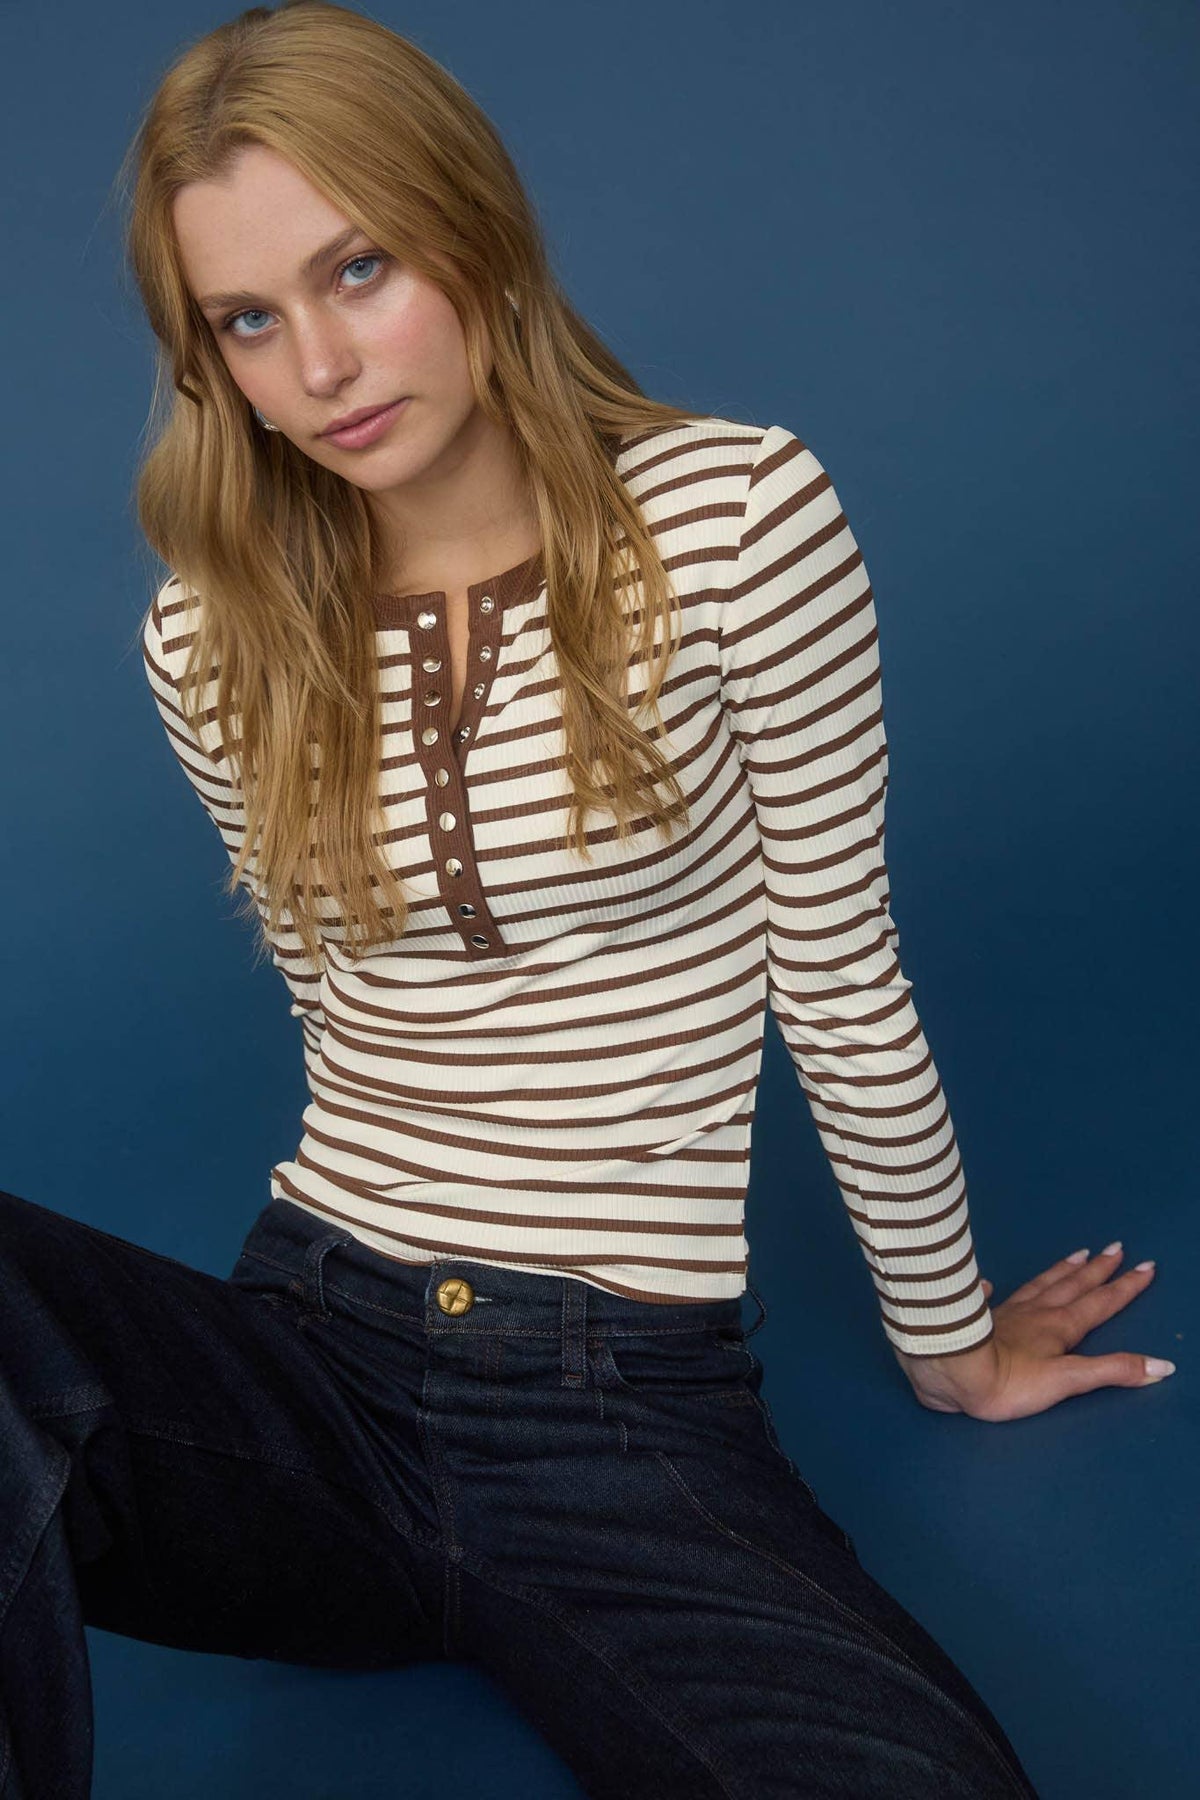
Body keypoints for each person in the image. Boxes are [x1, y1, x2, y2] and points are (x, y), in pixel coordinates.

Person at [0, 2, 1172, 1795]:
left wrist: (951, 1347)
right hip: (303, 1362)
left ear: (472, 233)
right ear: (208, 359)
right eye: (249, 318)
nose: (322, 363)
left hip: (612, 1404)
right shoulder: (210, 633)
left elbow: (839, 980)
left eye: (360, 268)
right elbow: (341, 1011)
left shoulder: (733, 519)